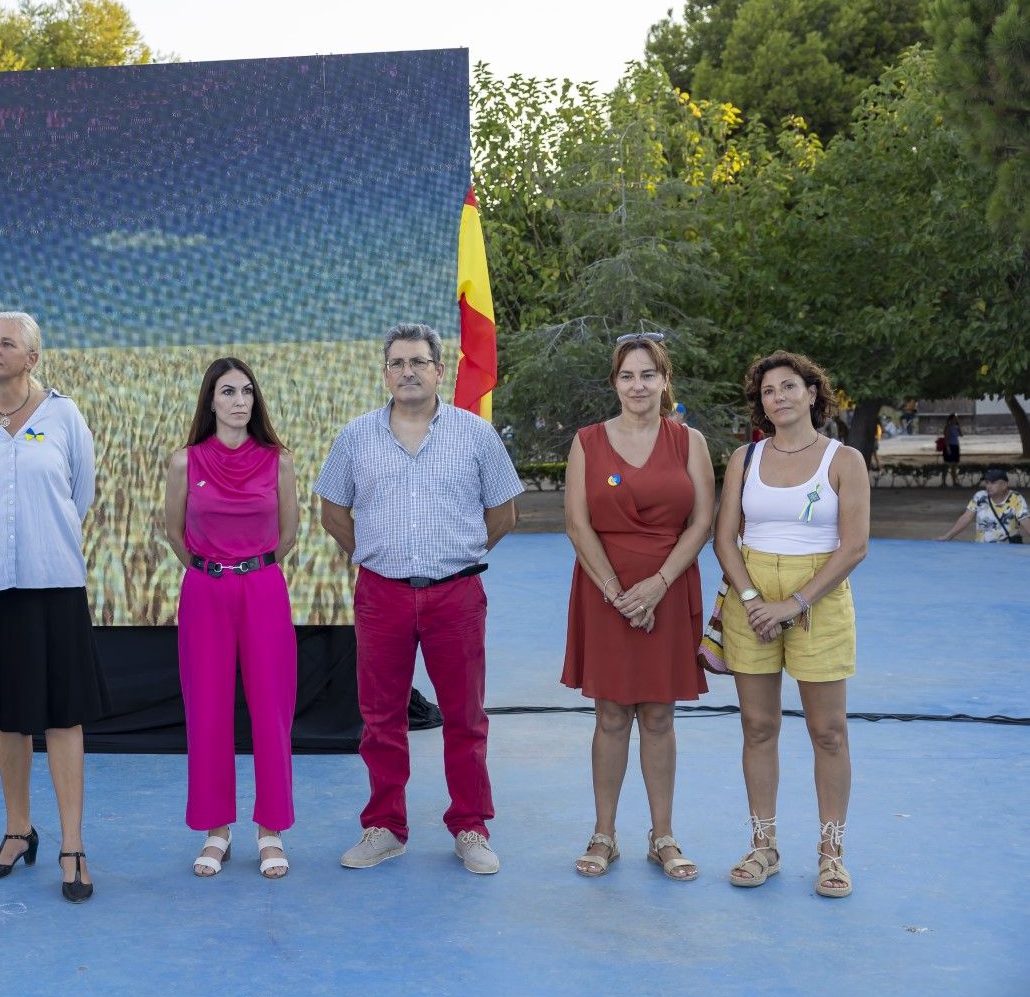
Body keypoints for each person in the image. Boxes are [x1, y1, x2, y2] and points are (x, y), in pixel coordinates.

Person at [315, 322, 523, 875]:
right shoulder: (354, 437)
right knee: (381, 718)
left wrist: (461, 551)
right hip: (381, 595)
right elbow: (332, 512)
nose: (408, 371)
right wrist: (377, 555)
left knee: (465, 717)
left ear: (439, 369)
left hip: (456, 594)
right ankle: (385, 827)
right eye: (397, 363)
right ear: (385, 374)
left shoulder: (476, 436)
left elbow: (504, 512)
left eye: (418, 362)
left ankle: (471, 827)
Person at [0, 311, 109, 904]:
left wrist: (38, 535)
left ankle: (72, 845)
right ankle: (17, 830)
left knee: (62, 715)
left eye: (7, 343)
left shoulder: (65, 416)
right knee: (6, 716)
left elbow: (78, 494)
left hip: (52, 582)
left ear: (33, 357)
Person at [713, 351, 869, 899]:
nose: (777, 397)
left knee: (828, 732)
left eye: (788, 387)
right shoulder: (744, 458)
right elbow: (723, 538)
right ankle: (763, 846)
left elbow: (853, 548)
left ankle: (831, 854)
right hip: (752, 598)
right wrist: (755, 598)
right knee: (758, 727)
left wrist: (794, 602)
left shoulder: (843, 460)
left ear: (812, 392)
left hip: (818, 599)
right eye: (767, 391)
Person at [561, 333, 715, 881]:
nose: (638, 385)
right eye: (627, 376)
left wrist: (657, 586)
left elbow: (702, 521)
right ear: (614, 384)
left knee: (658, 713)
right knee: (609, 714)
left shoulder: (688, 441)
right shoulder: (587, 442)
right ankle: (604, 834)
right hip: (606, 592)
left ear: (665, 380)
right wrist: (615, 592)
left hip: (667, 591)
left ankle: (663, 835)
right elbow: (577, 523)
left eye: (648, 374)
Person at [163, 358, 299, 879]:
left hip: (263, 589)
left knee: (271, 708)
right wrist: (211, 568)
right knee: (207, 709)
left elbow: (287, 535)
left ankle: (271, 829)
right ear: (211, 401)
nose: (239, 401)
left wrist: (251, 569)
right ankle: (216, 829)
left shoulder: (277, 461)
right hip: (204, 591)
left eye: (246, 392)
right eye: (227, 392)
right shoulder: (185, 462)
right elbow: (175, 533)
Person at [936, 468, 1028, 543]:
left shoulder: (1016, 498)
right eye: (987, 482)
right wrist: (947, 537)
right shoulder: (980, 496)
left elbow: (1025, 521)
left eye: (993, 483)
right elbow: (966, 517)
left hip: (1008, 549)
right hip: (982, 550)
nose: (988, 486)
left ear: (1004, 485)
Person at [942, 412, 963, 487]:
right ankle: (943, 482)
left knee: (954, 465)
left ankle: (954, 482)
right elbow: (946, 438)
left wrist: (959, 425)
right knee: (947, 465)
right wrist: (947, 448)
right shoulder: (948, 427)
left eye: (957, 418)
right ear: (951, 419)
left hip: (955, 446)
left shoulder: (956, 427)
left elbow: (961, 434)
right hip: (949, 446)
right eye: (955, 418)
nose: (956, 419)